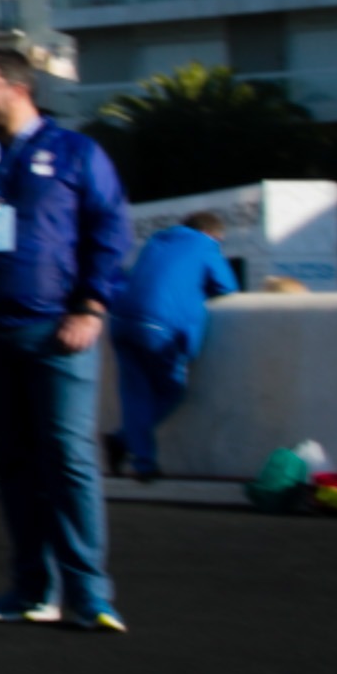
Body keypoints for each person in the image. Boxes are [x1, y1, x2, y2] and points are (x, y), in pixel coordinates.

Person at [0, 45, 126, 629]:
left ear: (16, 88)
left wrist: (90, 304)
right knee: (12, 464)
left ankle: (90, 595)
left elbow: (110, 229)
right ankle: (34, 588)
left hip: (56, 332)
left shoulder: (75, 153)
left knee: (68, 458)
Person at [105, 205, 234, 484]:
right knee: (171, 390)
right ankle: (126, 443)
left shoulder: (157, 241)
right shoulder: (205, 245)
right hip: (158, 326)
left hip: (121, 321)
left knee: (135, 395)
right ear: (211, 233)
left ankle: (142, 461)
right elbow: (226, 286)